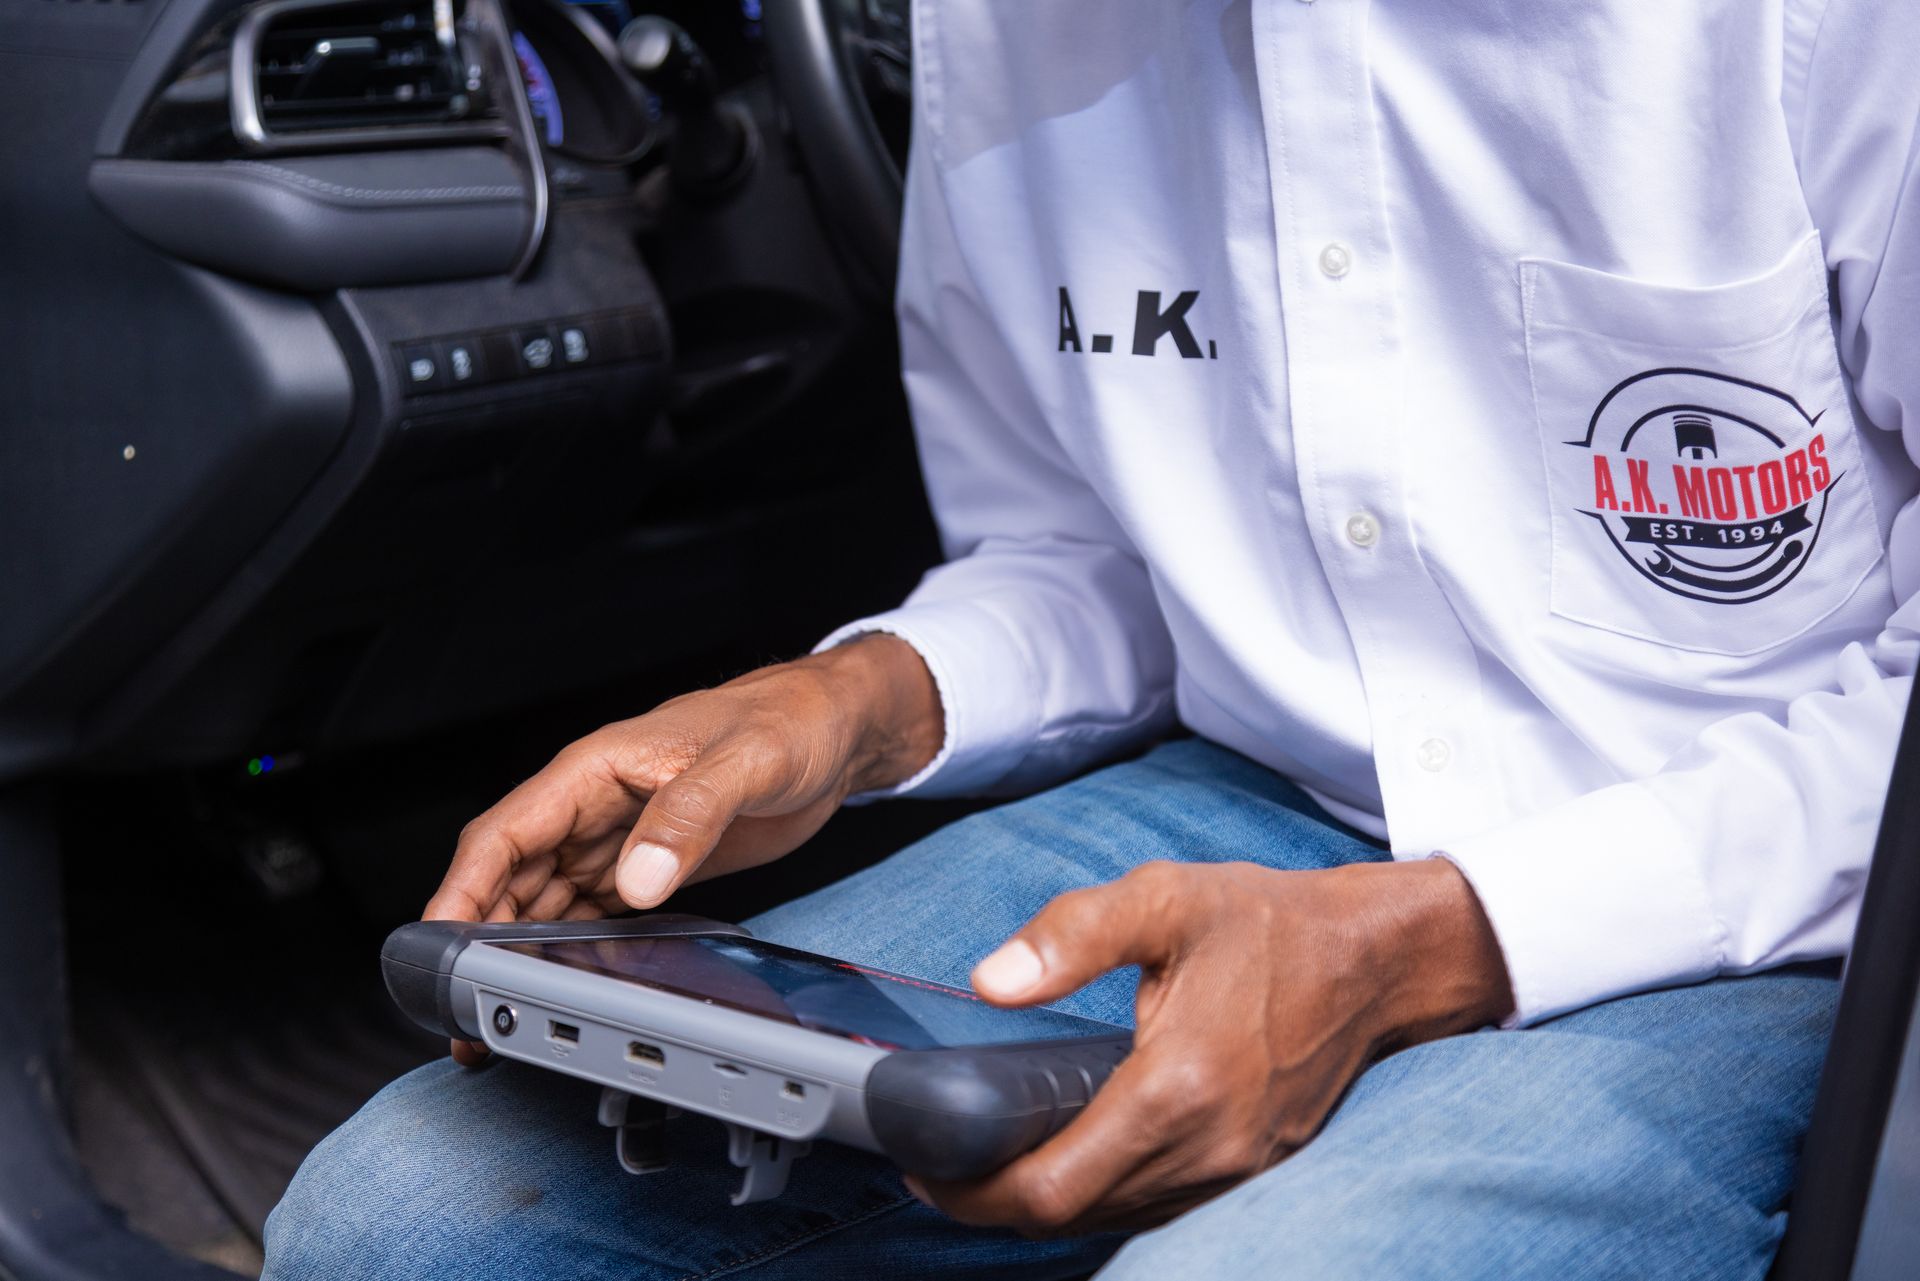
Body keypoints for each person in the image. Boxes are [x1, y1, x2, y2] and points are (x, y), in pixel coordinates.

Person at [264, 1, 1920, 1276]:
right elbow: (1109, 540)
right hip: (1256, 803)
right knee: (405, 1221)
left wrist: (1435, 938)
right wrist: (856, 699)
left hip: (1759, 902)